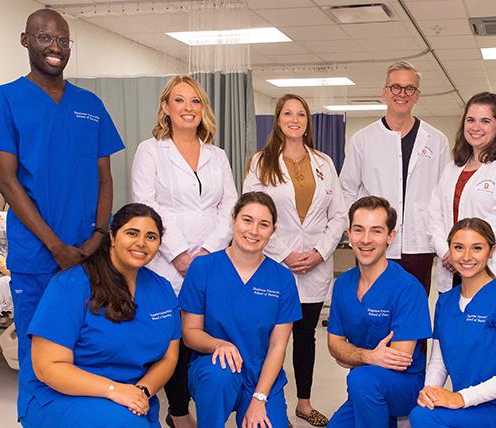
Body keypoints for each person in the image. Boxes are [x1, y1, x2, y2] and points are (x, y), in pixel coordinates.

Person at [0, 8, 124, 367]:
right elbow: (8, 183)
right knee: (38, 354)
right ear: (26, 41)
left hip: (90, 254)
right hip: (38, 256)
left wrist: (100, 235)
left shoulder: (90, 104)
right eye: (44, 37)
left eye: (62, 40)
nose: (55, 47)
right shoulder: (3, 99)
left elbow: (105, 177)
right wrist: (56, 247)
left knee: (89, 350)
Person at [131, 75, 237, 428]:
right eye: (179, 101)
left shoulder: (217, 155)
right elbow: (146, 205)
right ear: (166, 107)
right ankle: (177, 411)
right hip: (165, 261)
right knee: (173, 336)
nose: (188, 108)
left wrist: (207, 252)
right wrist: (177, 254)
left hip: (211, 258)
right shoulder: (150, 151)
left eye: (195, 102)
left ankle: (204, 402)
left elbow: (230, 207)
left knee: (202, 332)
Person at [19, 203, 181, 428]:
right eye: (132, 233)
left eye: (151, 237)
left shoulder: (161, 289)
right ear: (113, 237)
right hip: (63, 395)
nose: (141, 243)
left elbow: (169, 357)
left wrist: (142, 391)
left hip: (131, 397)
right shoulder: (72, 285)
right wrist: (113, 390)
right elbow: (48, 366)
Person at [243, 94, 346, 427]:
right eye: (288, 113)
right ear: (277, 119)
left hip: (316, 263)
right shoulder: (261, 162)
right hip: (274, 263)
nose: (295, 119)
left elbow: (339, 214)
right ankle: (265, 402)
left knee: (305, 336)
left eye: (301, 114)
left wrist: (319, 252)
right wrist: (285, 253)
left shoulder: (323, 162)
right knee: (269, 336)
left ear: (307, 121)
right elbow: (252, 213)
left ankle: (303, 403)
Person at [179, 192, 302, 428]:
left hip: (261, 375)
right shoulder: (203, 268)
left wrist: (260, 398)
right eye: (247, 220)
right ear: (233, 218)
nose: (254, 231)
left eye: (263, 224)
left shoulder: (282, 279)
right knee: (219, 375)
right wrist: (220, 345)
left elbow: (278, 345)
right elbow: (190, 333)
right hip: (215, 370)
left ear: (272, 230)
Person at [340, 61, 449, 296]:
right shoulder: (362, 139)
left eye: (409, 88)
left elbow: (443, 195)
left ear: (417, 95)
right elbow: (347, 191)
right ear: (384, 92)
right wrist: (358, 234)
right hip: (373, 243)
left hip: (419, 242)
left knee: (414, 309)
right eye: (396, 87)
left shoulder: (436, 140)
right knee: (372, 309)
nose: (402, 94)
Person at [409, 218, 496, 428]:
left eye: (477, 248)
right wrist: (430, 391)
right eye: (458, 247)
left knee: (424, 419)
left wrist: (461, 398)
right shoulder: (445, 301)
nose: (466, 257)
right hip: (463, 406)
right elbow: (438, 362)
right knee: (421, 412)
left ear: (491, 251)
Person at [327, 196, 432, 428]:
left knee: (360, 378)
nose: (365, 240)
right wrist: (368, 356)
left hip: (405, 385)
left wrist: (350, 356)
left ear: (390, 237)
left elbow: (399, 360)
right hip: (365, 386)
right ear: (348, 234)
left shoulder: (408, 288)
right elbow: (333, 344)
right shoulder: (343, 284)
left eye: (376, 231)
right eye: (358, 230)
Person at [428, 92, 496, 293]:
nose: (476, 127)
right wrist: (447, 251)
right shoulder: (452, 168)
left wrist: (464, 250)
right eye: (470, 120)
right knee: (453, 322)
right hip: (453, 269)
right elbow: (435, 215)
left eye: (485, 121)